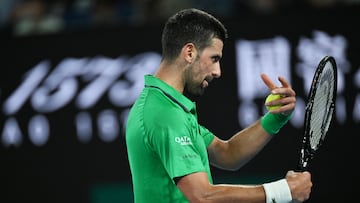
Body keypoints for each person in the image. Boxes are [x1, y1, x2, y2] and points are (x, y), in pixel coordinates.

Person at [125, 8, 312, 203]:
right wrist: (283, 191)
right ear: (189, 52)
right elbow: (202, 196)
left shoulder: (165, 106)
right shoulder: (164, 114)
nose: (217, 71)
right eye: (214, 58)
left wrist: (275, 118)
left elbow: (227, 153)